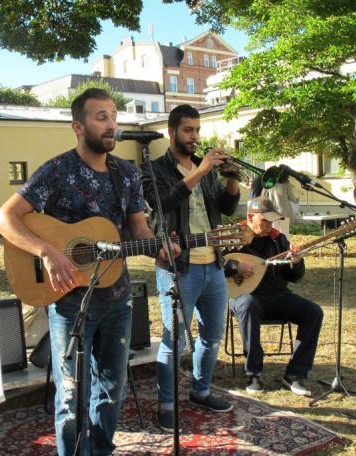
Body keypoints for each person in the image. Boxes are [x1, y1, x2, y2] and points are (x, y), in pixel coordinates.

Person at [0, 88, 174, 455]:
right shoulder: (57, 171)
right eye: (101, 117)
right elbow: (3, 218)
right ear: (78, 126)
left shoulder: (125, 173)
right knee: (71, 397)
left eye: (113, 116)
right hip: (69, 303)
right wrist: (46, 251)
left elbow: (138, 229)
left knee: (110, 392)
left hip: (117, 299)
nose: (111, 124)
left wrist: (160, 246)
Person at [141, 104, 241, 432]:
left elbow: (225, 208)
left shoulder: (205, 168)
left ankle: (200, 390)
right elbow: (163, 202)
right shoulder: (154, 169)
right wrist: (201, 171)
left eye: (197, 130)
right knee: (174, 340)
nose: (194, 137)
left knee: (212, 336)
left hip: (212, 264)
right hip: (178, 267)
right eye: (187, 130)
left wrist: (231, 182)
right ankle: (166, 403)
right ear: (171, 132)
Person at [226, 196, 323, 396]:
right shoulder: (232, 236)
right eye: (265, 220)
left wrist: (296, 262)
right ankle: (254, 373)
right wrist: (235, 267)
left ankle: (295, 375)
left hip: (277, 295)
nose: (270, 225)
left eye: (272, 221)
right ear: (251, 217)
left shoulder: (278, 239)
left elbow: (294, 277)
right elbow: (215, 265)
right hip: (243, 295)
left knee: (313, 312)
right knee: (248, 305)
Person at [261, 173, 299, 240]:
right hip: (284, 211)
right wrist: (297, 200)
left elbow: (263, 196)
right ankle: (286, 248)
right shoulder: (286, 183)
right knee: (285, 232)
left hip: (272, 211)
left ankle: (276, 249)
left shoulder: (269, 182)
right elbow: (291, 197)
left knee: (274, 231)